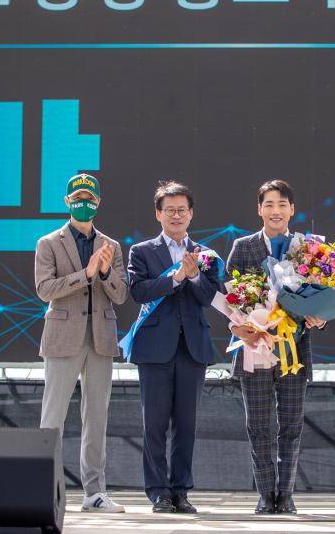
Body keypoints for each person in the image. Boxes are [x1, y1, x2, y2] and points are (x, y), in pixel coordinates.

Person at [225, 179, 326, 515]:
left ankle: (287, 493)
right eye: (269, 204)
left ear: (292, 209)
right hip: (255, 347)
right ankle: (265, 494)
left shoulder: (308, 248)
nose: (276, 211)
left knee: (291, 426)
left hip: (295, 349)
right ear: (259, 209)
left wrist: (320, 317)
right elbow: (231, 297)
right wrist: (241, 324)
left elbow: (321, 296)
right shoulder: (243, 247)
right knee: (258, 426)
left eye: (282, 204)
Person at [126, 181, 222, 513]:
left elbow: (209, 297)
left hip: (192, 348)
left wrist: (193, 277)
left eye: (182, 210)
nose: (176, 215)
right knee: (153, 424)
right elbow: (139, 291)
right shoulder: (141, 251)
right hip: (154, 348)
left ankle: (181, 491)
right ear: (159, 214)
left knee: (186, 424)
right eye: (170, 210)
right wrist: (177, 278)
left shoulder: (205, 254)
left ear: (191, 213)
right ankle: (158, 492)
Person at [35, 173, 129, 512]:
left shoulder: (111, 245)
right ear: (67, 202)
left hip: (100, 338)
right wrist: (85, 275)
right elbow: (45, 289)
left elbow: (121, 294)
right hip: (63, 337)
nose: (83, 203)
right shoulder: (49, 243)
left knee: (96, 417)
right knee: (53, 417)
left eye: (89, 198)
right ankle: (43, 489)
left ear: (98, 202)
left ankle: (95, 492)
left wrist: (103, 273)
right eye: (77, 198)